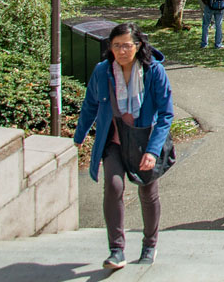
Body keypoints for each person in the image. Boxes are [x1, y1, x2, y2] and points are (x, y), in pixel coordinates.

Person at [74, 22, 173, 268]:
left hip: (144, 141)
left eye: (126, 46)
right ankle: (116, 250)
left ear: (138, 46)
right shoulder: (102, 71)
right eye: (116, 46)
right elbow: (90, 105)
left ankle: (150, 245)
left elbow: (165, 114)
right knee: (113, 186)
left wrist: (152, 150)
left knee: (148, 192)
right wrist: (78, 137)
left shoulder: (154, 71)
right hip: (115, 140)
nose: (121, 51)